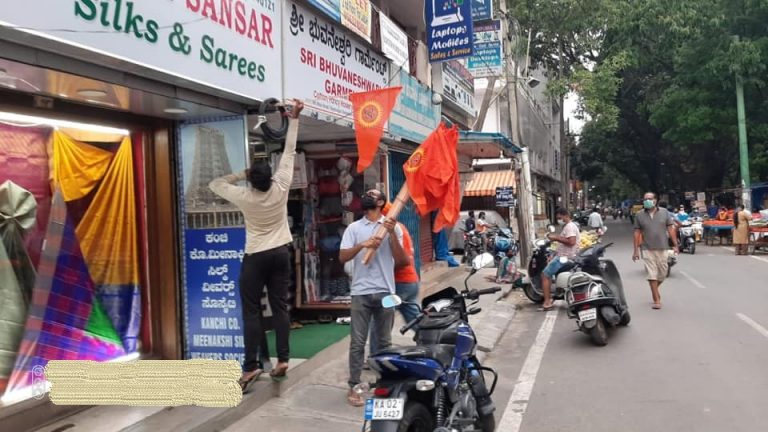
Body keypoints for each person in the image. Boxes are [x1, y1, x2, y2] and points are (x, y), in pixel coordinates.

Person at [209, 99, 304, 391]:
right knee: (280, 308)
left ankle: (251, 366)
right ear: (270, 177)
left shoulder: (245, 196)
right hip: (280, 253)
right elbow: (289, 152)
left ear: (252, 181)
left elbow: (215, 183)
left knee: (251, 311)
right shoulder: (281, 186)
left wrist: (241, 174)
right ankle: (283, 359)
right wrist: (295, 118)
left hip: (255, 256)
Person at [339, 189, 409, 407]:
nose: (367, 195)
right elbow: (342, 256)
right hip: (360, 292)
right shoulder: (354, 228)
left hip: (386, 292)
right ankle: (354, 386)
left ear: (380, 202)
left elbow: (402, 260)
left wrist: (389, 234)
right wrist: (362, 245)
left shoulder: (392, 226)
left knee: (384, 343)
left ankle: (385, 385)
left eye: (372, 194)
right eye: (366, 193)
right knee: (357, 343)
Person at [368, 202, 421, 355]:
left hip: (398, 285)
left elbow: (399, 261)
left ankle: (376, 355)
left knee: (379, 319)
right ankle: (432, 340)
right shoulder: (401, 228)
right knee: (414, 318)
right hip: (410, 283)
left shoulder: (389, 230)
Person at [633, 192, 678, 310]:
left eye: (649, 199)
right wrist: (636, 250)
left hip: (663, 247)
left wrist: (675, 244)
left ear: (655, 200)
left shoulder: (664, 213)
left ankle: (655, 289)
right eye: (645, 199)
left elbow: (670, 228)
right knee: (652, 274)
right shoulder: (639, 215)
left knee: (662, 274)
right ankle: (656, 299)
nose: (647, 201)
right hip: (647, 248)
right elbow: (637, 233)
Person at [539, 208, 580, 311]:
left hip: (565, 257)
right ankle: (555, 294)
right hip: (564, 255)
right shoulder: (568, 226)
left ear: (565, 215)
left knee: (545, 275)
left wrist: (556, 238)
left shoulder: (570, 226)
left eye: (559, 217)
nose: (559, 219)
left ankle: (547, 302)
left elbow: (571, 242)